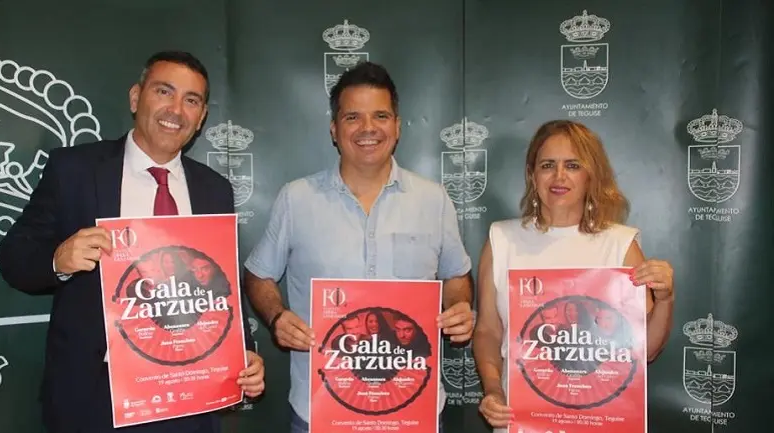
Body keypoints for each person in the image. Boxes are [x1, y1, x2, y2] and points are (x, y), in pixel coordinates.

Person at [0, 51, 265, 433]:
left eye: (192, 100)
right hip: (94, 400)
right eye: (164, 92)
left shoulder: (214, 189)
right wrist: (58, 259)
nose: (176, 109)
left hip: (189, 399)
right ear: (136, 97)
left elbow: (223, 290)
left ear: (202, 117)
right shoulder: (74, 170)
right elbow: (14, 259)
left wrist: (245, 355)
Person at [242, 61, 474, 433]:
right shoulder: (296, 199)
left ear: (397, 126)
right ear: (334, 129)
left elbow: (456, 276)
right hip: (319, 412)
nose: (368, 128)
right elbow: (258, 274)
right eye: (353, 117)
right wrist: (277, 317)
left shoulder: (434, 200)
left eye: (380, 115)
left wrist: (460, 307)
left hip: (415, 410)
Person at [471, 120, 675, 432]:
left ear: (590, 174)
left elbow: (645, 351)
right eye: (547, 165)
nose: (559, 176)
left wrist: (665, 299)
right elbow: (487, 331)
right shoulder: (502, 238)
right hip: (523, 422)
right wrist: (494, 389)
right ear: (532, 174)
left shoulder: (620, 244)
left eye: (573, 165)